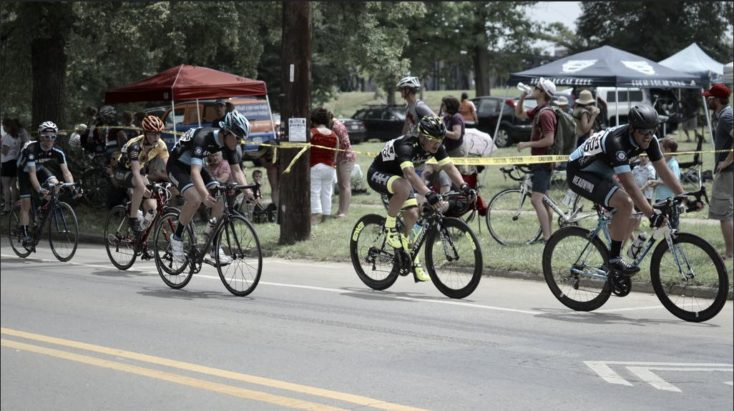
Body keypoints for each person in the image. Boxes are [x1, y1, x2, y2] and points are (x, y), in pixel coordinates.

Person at [566, 104, 690, 275]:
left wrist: (685, 197)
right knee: (626, 202)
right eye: (643, 132)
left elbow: (664, 171)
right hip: (579, 172)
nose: (648, 137)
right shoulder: (616, 141)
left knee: (632, 214)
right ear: (632, 129)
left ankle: (611, 260)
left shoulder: (650, 140)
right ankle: (614, 259)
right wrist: (652, 215)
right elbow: (631, 186)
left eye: (652, 131)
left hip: (603, 172)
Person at [367, 115, 475, 282]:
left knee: (412, 215)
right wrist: (428, 193)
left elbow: (449, 167)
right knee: (404, 186)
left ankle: (410, 258)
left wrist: (464, 186)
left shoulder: (436, 146)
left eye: (441, 139)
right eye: (434, 140)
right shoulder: (406, 145)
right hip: (379, 173)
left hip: (400, 179)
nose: (438, 144)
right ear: (423, 137)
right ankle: (389, 228)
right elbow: (410, 174)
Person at [166, 111, 253, 265]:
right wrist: (205, 195)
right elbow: (194, 172)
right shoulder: (203, 138)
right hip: (177, 166)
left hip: (196, 166)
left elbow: (237, 170)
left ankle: (213, 243)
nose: (239, 142)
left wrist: (248, 191)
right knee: (196, 198)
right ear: (226, 132)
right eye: (238, 138)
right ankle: (176, 239)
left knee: (220, 195)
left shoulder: (228, 143)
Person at [16, 121, 79, 247]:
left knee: (56, 184)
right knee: (26, 204)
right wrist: (40, 190)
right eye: (46, 136)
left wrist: (73, 188)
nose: (49, 139)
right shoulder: (32, 149)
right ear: (40, 136)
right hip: (24, 171)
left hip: (38, 168)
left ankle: (42, 209)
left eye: (53, 136)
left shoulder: (58, 151)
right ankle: (24, 233)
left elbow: (66, 172)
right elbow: (31, 175)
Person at [515, 77, 557, 243]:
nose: (533, 88)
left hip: (543, 162)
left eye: (536, 87)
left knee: (536, 199)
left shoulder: (546, 114)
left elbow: (549, 140)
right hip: (539, 161)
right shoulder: (539, 110)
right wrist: (523, 97)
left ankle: (547, 238)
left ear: (542, 92)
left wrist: (527, 144)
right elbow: (519, 114)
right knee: (544, 200)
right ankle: (550, 234)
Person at [113, 115, 170, 235]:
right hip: (122, 171)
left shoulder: (160, 144)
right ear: (145, 133)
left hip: (140, 171)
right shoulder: (134, 146)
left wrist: (178, 182)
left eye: (159, 133)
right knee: (140, 186)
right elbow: (135, 172)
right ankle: (133, 219)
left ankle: (142, 239)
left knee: (153, 208)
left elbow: (169, 167)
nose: (156, 137)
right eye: (153, 134)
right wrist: (143, 189)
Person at [703, 83, 733, 261]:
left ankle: (730, 254)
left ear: (716, 100)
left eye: (709, 97)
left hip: (728, 171)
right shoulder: (725, 114)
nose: (707, 100)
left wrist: (725, 162)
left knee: (724, 214)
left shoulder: (726, 116)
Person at [424, 95, 470, 194]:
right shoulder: (447, 117)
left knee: (450, 175)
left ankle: (449, 195)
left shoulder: (456, 118)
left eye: (443, 104)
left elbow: (457, 135)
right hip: (449, 150)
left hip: (457, 151)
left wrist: (443, 131)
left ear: (449, 105)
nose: (442, 106)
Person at [309, 108, 339, 224]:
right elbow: (335, 154)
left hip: (315, 166)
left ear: (314, 119)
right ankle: (325, 217)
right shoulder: (334, 135)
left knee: (314, 192)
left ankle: (314, 216)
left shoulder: (312, 133)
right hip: (330, 167)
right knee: (327, 192)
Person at [331, 116, 356, 218]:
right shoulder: (333, 124)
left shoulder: (336, 126)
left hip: (346, 157)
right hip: (341, 157)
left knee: (345, 185)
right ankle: (340, 210)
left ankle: (344, 211)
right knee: (341, 185)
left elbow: (345, 143)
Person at [1, 118, 27, 215]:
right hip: (15, 162)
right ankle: (13, 205)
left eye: (4, 125)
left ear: (8, 127)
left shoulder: (7, 137)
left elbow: (4, 151)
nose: (3, 127)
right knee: (13, 185)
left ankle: (7, 207)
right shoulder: (17, 137)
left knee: (6, 186)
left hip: (7, 163)